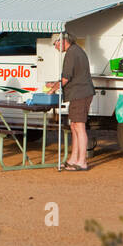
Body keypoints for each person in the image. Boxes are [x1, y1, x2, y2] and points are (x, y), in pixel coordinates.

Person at [47, 31, 95, 170]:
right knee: (74, 126)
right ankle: (73, 158)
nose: (55, 47)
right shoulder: (75, 51)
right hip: (78, 93)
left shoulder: (71, 53)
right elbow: (70, 76)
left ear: (62, 40)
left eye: (55, 43)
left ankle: (82, 161)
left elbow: (66, 78)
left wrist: (53, 89)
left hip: (80, 93)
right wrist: (54, 84)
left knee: (79, 126)